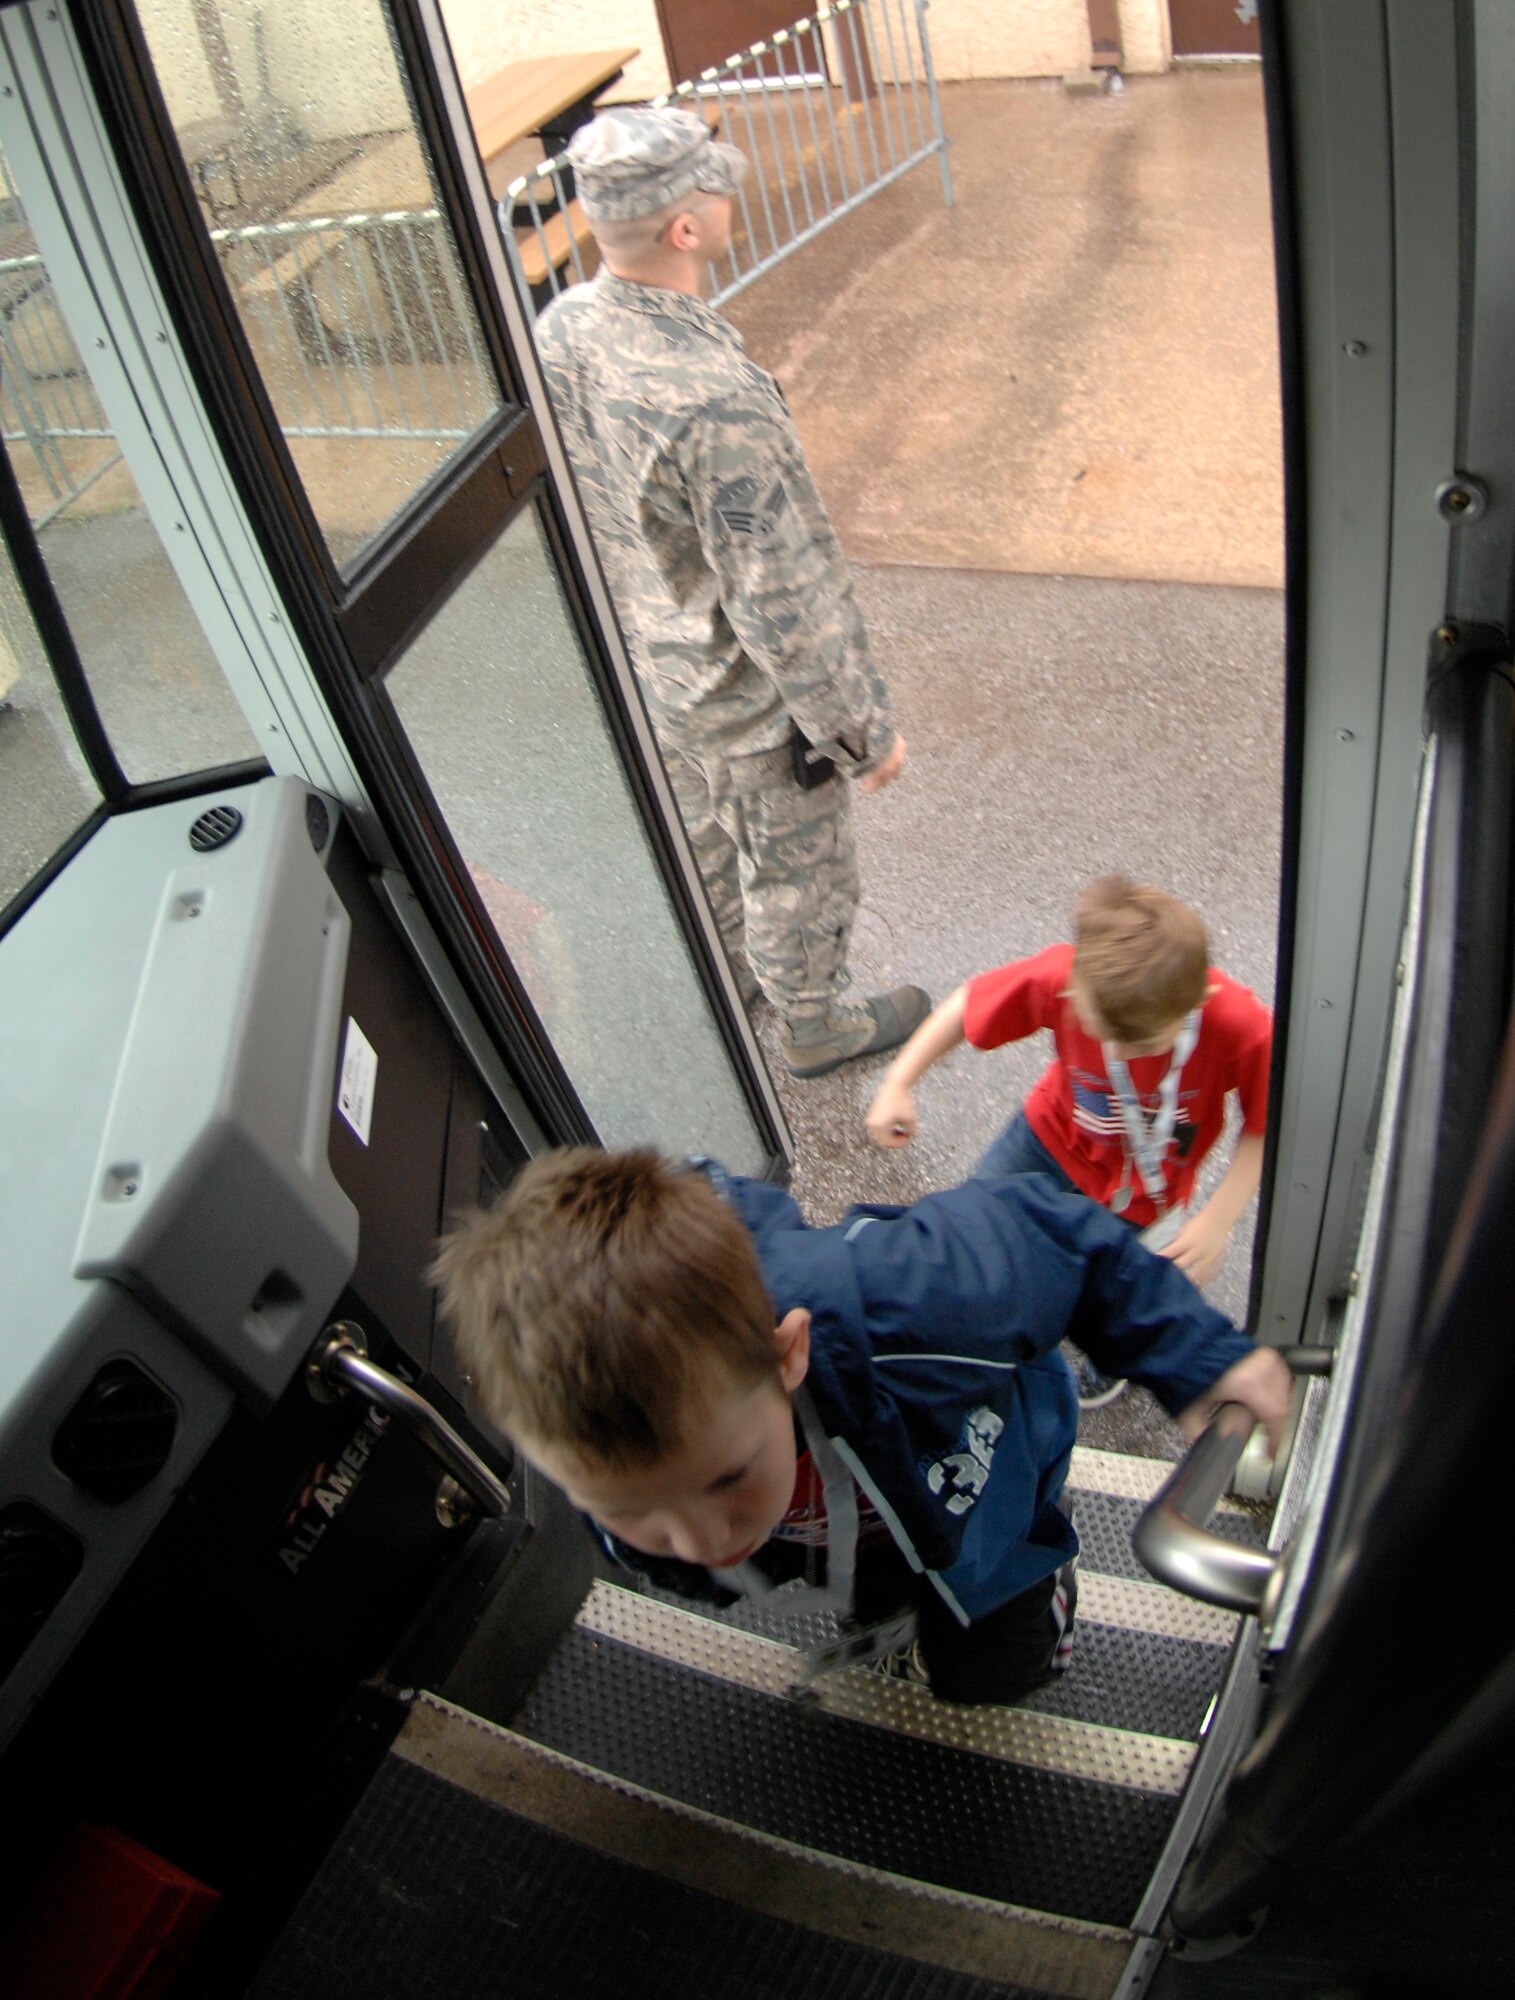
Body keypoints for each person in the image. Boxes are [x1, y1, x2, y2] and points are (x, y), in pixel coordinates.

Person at [432, 1146, 1292, 1707]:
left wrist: (1194, 1356)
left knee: (992, 1672)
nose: (698, 1539)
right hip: (844, 1528)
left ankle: (1043, 1605)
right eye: (626, 1509)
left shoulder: (919, 1302)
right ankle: (887, 1612)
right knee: (868, 1595)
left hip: (977, 1484)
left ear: (786, 1355)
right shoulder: (630, 1429)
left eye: (726, 1477)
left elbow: (1056, 1239)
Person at [533, 106, 928, 1078]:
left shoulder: (567, 325)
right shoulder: (716, 399)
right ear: (685, 228)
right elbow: (779, 595)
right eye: (715, 184)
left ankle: (722, 981)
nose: (729, 193)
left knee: (706, 836)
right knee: (798, 869)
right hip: (748, 702)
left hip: (656, 667)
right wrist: (858, 730)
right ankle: (811, 1021)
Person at [865, 875, 1273, 1406]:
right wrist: (898, 1081)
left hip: (1147, 1187)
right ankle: (955, 1335)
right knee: (973, 1230)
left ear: (1197, 1000)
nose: (1122, 1056)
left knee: (1121, 1290)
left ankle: (1110, 1359)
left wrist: (1218, 1220)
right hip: (1050, 1138)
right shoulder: (1065, 976)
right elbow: (969, 1005)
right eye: (1101, 1032)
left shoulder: (1241, 1024)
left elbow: (1266, 1122)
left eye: (1143, 1042)